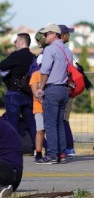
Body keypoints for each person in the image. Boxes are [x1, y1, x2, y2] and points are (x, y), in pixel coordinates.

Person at [35, 24, 70, 164]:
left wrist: (40, 88)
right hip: (64, 89)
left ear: (53, 34)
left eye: (46, 34)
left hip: (52, 88)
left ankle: (52, 155)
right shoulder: (67, 50)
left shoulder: (50, 49)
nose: (44, 37)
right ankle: (62, 154)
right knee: (60, 123)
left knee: (50, 124)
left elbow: (45, 71)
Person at [0, 33, 36, 139]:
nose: (15, 44)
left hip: (14, 93)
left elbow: (2, 65)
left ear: (21, 42)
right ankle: (42, 148)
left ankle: (14, 149)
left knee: (12, 124)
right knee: (32, 124)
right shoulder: (33, 57)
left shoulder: (16, 55)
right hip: (28, 93)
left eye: (16, 41)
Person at [58, 25, 77, 157]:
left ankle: (65, 148)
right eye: (68, 33)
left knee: (60, 120)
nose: (69, 36)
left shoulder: (53, 49)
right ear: (63, 35)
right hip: (67, 89)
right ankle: (68, 147)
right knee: (64, 119)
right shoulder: (67, 51)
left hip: (57, 88)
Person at [0, 117, 23, 197]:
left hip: (9, 171)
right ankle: (3, 189)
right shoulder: (4, 124)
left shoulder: (2, 125)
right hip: (13, 176)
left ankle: (2, 188)